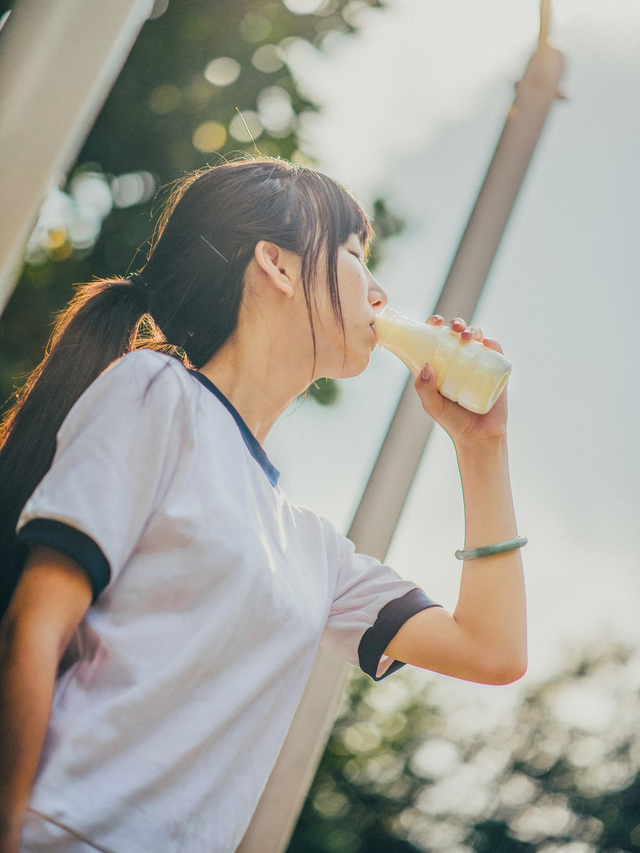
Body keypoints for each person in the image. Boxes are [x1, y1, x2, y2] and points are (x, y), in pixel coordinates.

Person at [0, 157, 526, 853]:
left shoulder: (314, 551)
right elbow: (33, 630)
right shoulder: (156, 392)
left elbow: (492, 651)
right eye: (352, 252)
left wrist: (481, 450)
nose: (379, 289)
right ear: (275, 265)